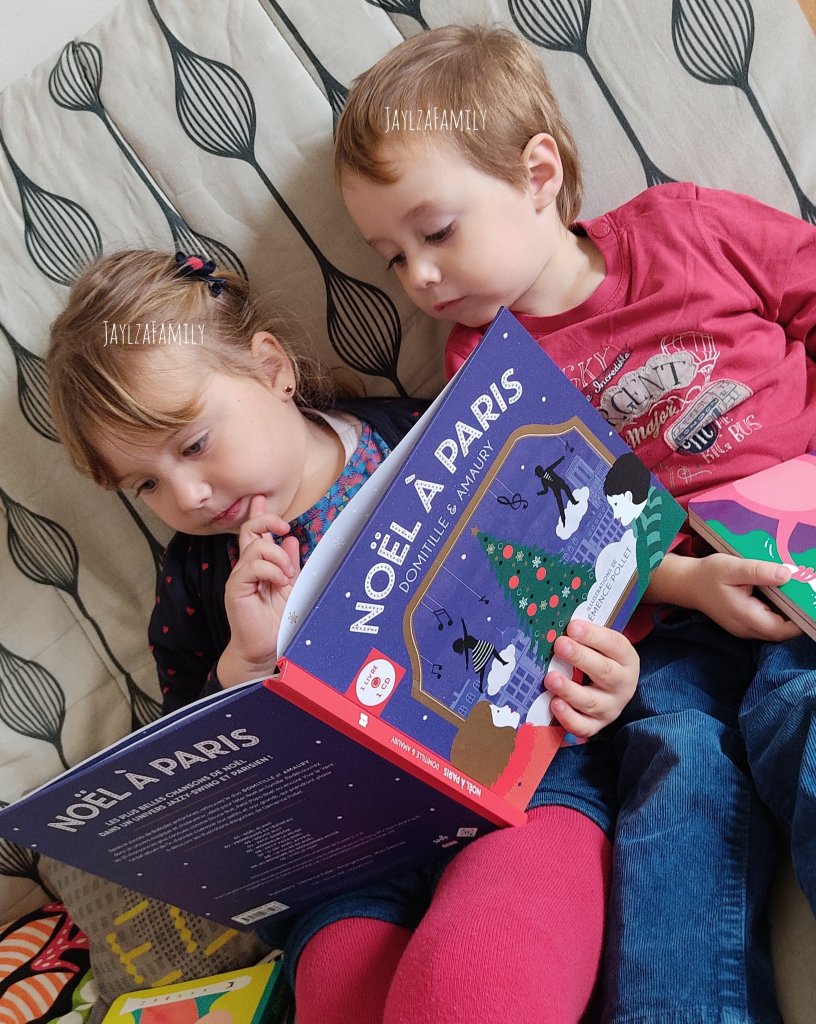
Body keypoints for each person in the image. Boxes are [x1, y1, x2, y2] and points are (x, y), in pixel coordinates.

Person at [335, 23, 816, 1023]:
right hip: (668, 625)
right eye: (392, 258)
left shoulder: (688, 230)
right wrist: (687, 583)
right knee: (675, 775)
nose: (419, 278)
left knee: (798, 712)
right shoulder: (484, 368)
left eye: (437, 232)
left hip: (796, 563)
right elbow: (560, 539)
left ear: (538, 174)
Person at [47, 248, 641, 1024]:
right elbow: (197, 764)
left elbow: (573, 562)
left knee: (475, 986)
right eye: (146, 484)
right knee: (337, 993)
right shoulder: (197, 580)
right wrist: (243, 663)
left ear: (271, 370)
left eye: (193, 444)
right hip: (347, 860)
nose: (187, 495)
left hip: (522, 787)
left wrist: (606, 678)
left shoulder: (430, 432)